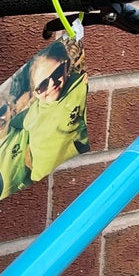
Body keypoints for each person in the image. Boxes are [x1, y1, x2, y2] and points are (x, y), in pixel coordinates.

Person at [22, 38, 90, 180]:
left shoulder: (76, 86)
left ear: (66, 68)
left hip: (71, 168)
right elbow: (17, 124)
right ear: (34, 93)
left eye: (57, 72)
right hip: (38, 176)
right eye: (42, 84)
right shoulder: (31, 113)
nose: (52, 83)